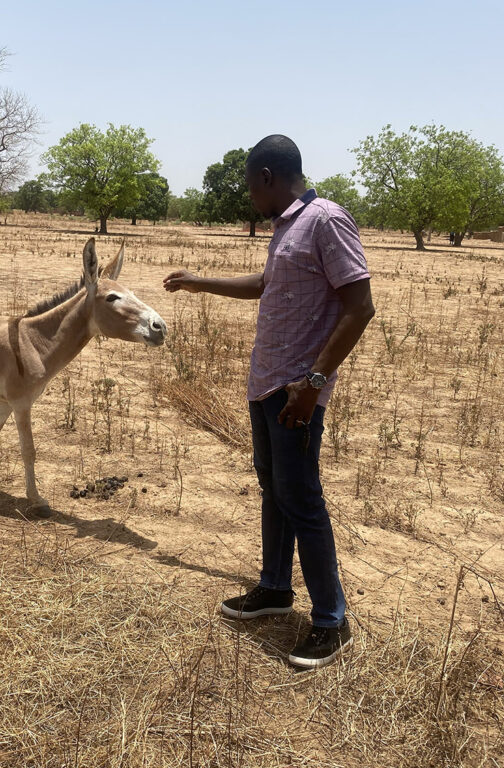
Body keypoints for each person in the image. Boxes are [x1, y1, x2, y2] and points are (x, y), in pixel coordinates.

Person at [163, 135, 375, 668]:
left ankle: (331, 621)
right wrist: (198, 282)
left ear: (265, 177)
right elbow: (265, 284)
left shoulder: (325, 219)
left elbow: (360, 306)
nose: (247, 197)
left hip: (295, 390)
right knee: (273, 488)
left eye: (247, 186)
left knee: (302, 498)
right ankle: (276, 588)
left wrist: (313, 383)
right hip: (265, 383)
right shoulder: (285, 226)